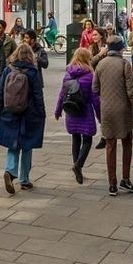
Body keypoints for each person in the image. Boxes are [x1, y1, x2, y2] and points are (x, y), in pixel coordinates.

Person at [92, 36, 133, 197]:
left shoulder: (100, 64)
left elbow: (95, 88)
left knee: (110, 145)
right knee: (127, 142)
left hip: (106, 110)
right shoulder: (124, 65)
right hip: (123, 110)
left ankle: (112, 183)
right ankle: (125, 179)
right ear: (120, 49)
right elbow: (132, 91)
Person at [0, 44, 45, 193]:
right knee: (27, 145)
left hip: (10, 112)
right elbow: (38, 95)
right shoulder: (33, 72)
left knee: (13, 144)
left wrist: (1, 110)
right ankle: (24, 179)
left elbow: (0, 93)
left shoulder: (7, 70)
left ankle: (10, 171)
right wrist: (41, 113)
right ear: (30, 56)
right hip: (28, 113)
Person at [54, 48, 100, 184]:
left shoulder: (68, 74)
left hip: (71, 111)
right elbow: (95, 98)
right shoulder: (90, 75)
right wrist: (100, 116)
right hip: (85, 111)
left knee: (75, 139)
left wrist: (58, 112)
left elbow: (62, 95)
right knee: (88, 140)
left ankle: (77, 169)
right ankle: (78, 165)